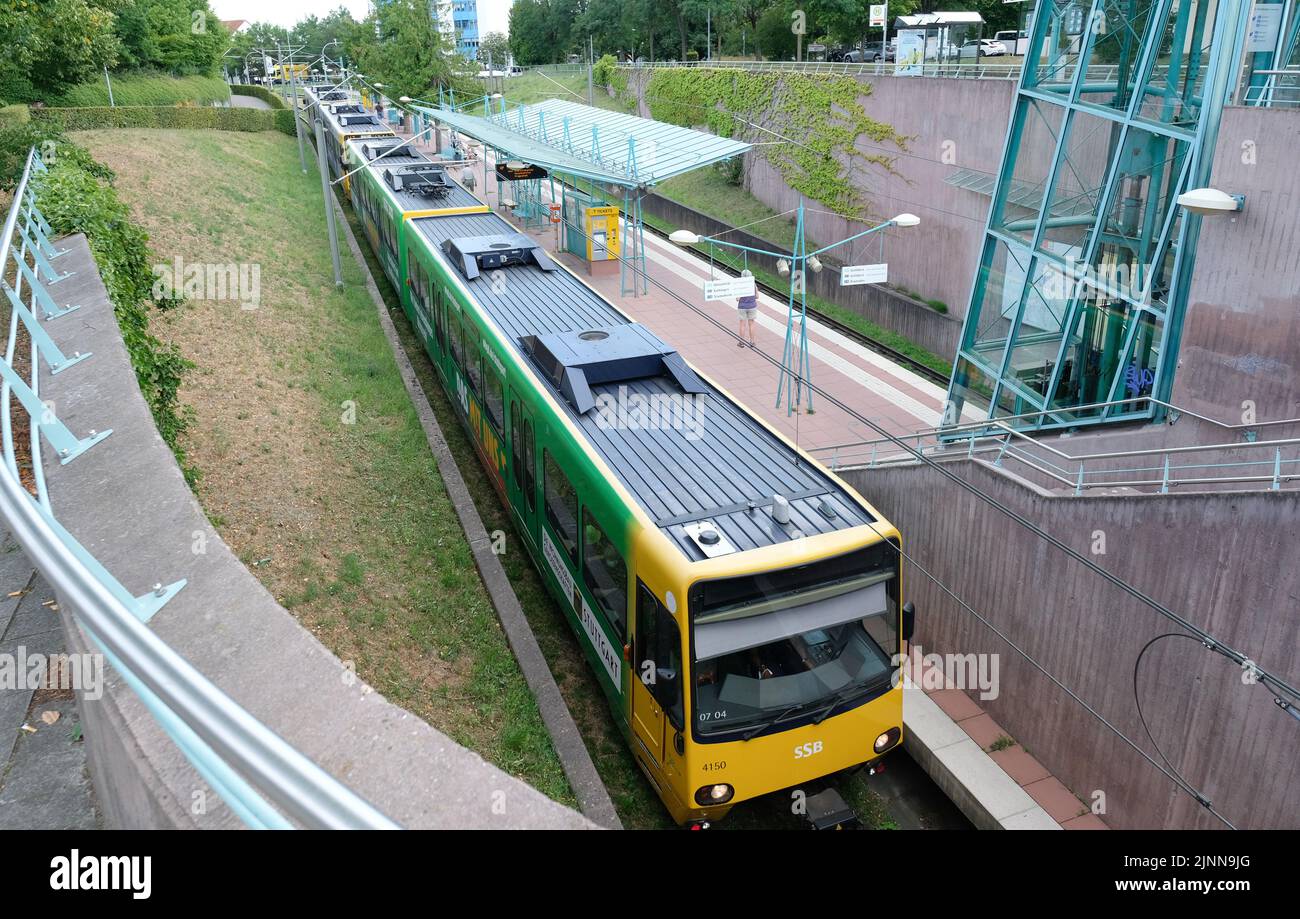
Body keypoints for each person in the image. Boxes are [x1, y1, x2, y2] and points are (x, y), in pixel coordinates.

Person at [736, 270, 758, 348]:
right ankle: (752, 342)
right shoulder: (753, 284)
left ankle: (741, 342)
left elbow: (737, 299)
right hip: (752, 306)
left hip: (742, 306)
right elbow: (757, 296)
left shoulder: (740, 285)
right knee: (751, 324)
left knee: (742, 324)